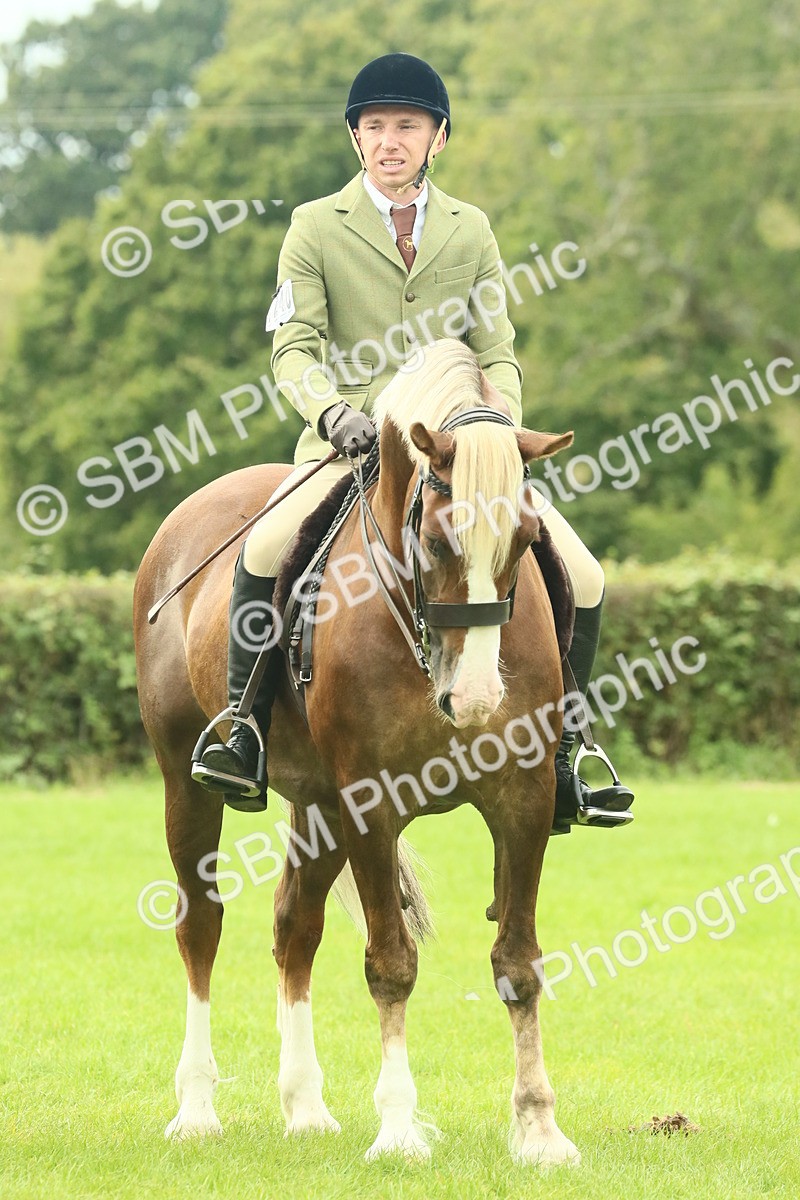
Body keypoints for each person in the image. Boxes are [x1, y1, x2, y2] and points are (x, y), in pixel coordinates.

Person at [194, 52, 634, 831]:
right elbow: (292, 349)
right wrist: (332, 414)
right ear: (355, 139)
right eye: (374, 127)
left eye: (406, 126)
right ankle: (244, 730)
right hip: (350, 447)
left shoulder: (472, 229)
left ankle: (567, 748)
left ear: (438, 138)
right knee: (263, 551)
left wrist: (493, 429)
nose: (389, 140)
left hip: (460, 455)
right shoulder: (314, 227)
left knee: (587, 576)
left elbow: (497, 350)